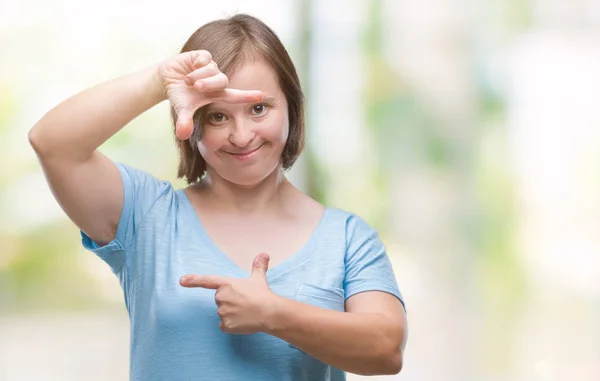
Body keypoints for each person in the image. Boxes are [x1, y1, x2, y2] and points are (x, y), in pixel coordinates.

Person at [29, 13, 407, 381]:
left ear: (291, 106)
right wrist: (160, 82)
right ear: (191, 122)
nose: (242, 136)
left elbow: (386, 350)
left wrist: (274, 314)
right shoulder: (146, 216)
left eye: (259, 109)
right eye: (218, 117)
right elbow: (53, 143)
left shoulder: (346, 237)